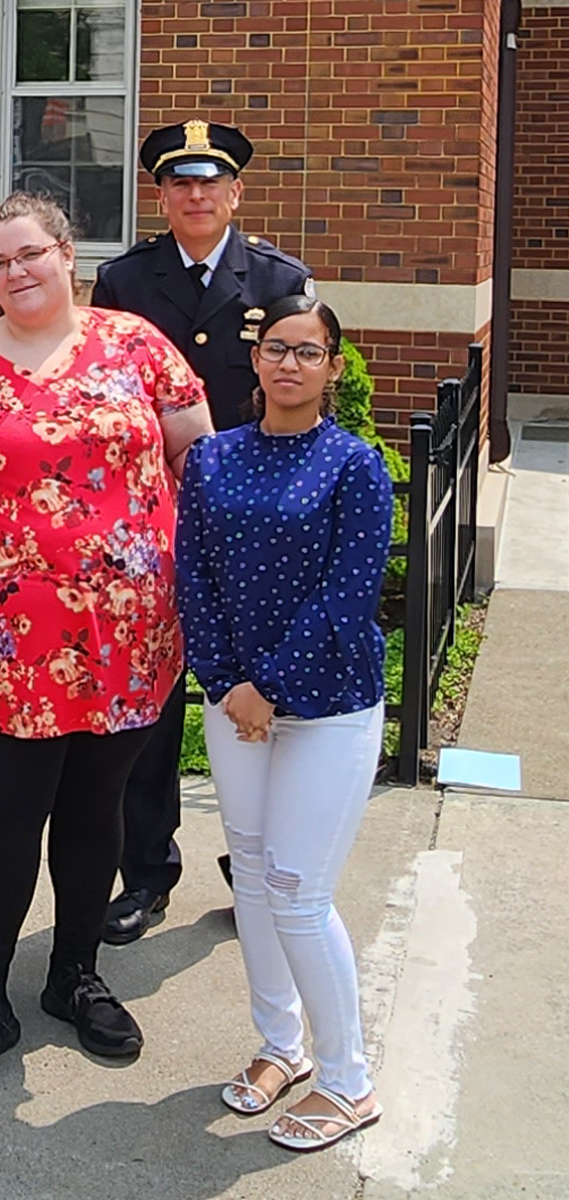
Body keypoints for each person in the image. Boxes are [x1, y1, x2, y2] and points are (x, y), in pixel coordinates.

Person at [0, 193, 213, 1099]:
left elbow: (198, 471)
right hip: (7, 642)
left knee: (97, 812)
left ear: (67, 254)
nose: (15, 273)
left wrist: (201, 596)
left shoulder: (137, 346)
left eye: (30, 254)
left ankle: (72, 975)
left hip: (130, 634)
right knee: (5, 815)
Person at [92, 119, 315, 945]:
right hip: (155, 522)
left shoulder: (280, 277)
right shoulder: (124, 280)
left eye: (210, 182)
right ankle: (146, 872)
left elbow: (306, 390)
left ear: (235, 193)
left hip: (256, 527)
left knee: (255, 694)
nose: (195, 196)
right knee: (152, 702)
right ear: (160, 194)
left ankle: (252, 865)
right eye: (180, 184)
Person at [177, 294, 391, 1151]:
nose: (289, 364)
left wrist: (267, 686)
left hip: (326, 707)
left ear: (332, 367)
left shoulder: (355, 465)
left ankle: (349, 1081)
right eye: (276, 349)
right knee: (256, 876)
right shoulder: (214, 460)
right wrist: (228, 682)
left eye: (308, 352)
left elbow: (348, 595)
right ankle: (282, 1046)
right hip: (235, 705)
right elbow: (192, 574)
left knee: (301, 893)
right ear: (256, 362)